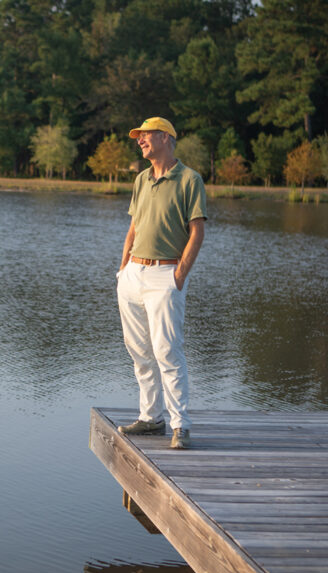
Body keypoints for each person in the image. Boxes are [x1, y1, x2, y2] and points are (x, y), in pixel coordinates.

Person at [116, 117, 206, 449]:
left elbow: (197, 231)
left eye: (146, 135)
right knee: (139, 351)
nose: (140, 140)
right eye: (138, 137)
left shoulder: (189, 180)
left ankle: (180, 424)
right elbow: (134, 227)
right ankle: (150, 418)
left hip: (164, 276)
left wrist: (179, 276)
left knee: (167, 351)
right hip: (132, 276)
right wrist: (123, 268)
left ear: (166, 138)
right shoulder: (141, 179)